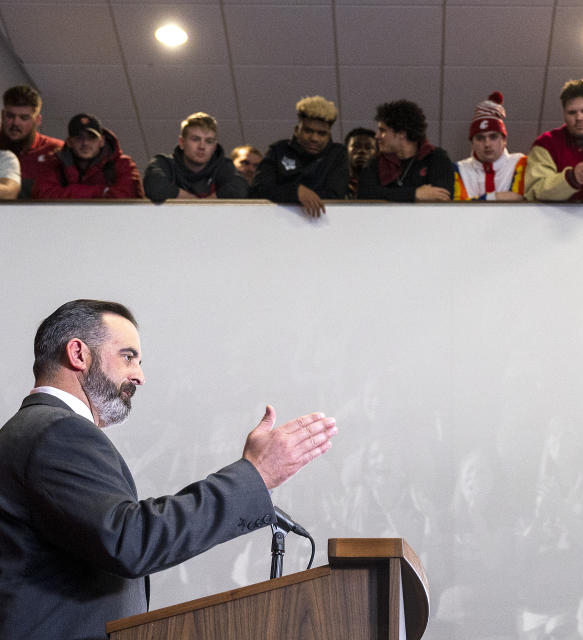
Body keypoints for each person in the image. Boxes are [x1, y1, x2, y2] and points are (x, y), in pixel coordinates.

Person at [0, 299, 338, 638]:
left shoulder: (35, 430)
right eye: (128, 357)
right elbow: (130, 541)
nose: (140, 376)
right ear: (78, 354)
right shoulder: (57, 431)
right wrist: (255, 476)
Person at [250, 96, 349, 217]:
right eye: (308, 131)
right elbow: (258, 190)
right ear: (297, 130)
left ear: (329, 135)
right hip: (278, 221)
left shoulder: (338, 154)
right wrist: (295, 191)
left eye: (321, 134)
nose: (314, 138)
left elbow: (335, 195)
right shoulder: (278, 150)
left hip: (323, 223)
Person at [357, 99, 455, 202]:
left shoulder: (436, 158)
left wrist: (389, 194)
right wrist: (414, 194)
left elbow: (441, 197)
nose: (377, 136)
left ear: (402, 134)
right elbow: (364, 195)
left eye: (382, 130)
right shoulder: (375, 163)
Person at [32, 113, 144, 199]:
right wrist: (101, 191)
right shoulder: (54, 163)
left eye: (92, 137)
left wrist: (69, 191)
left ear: (102, 141)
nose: (85, 143)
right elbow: (43, 196)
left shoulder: (123, 164)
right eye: (79, 138)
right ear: (70, 142)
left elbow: (127, 197)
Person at [143, 112, 249, 202]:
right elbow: (154, 186)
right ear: (182, 142)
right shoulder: (163, 163)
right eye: (195, 139)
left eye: (209, 141)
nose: (202, 147)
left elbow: (239, 188)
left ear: (215, 147)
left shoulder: (224, 166)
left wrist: (202, 206)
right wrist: (195, 204)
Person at [453, 92, 526, 201]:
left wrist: (477, 200)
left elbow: (518, 201)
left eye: (493, 137)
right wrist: (495, 197)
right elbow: (459, 209)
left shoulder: (520, 163)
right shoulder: (459, 169)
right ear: (472, 143)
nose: (487, 144)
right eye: (480, 138)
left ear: (504, 140)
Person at [0, 85, 63, 198]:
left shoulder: (56, 150)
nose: (15, 123)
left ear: (37, 120)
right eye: (10, 116)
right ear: (3, 115)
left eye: (24, 118)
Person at [345, 127, 377, 198]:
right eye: (356, 146)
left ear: (377, 153)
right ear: (345, 150)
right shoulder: (336, 183)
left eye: (368, 147)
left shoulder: (382, 184)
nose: (362, 151)